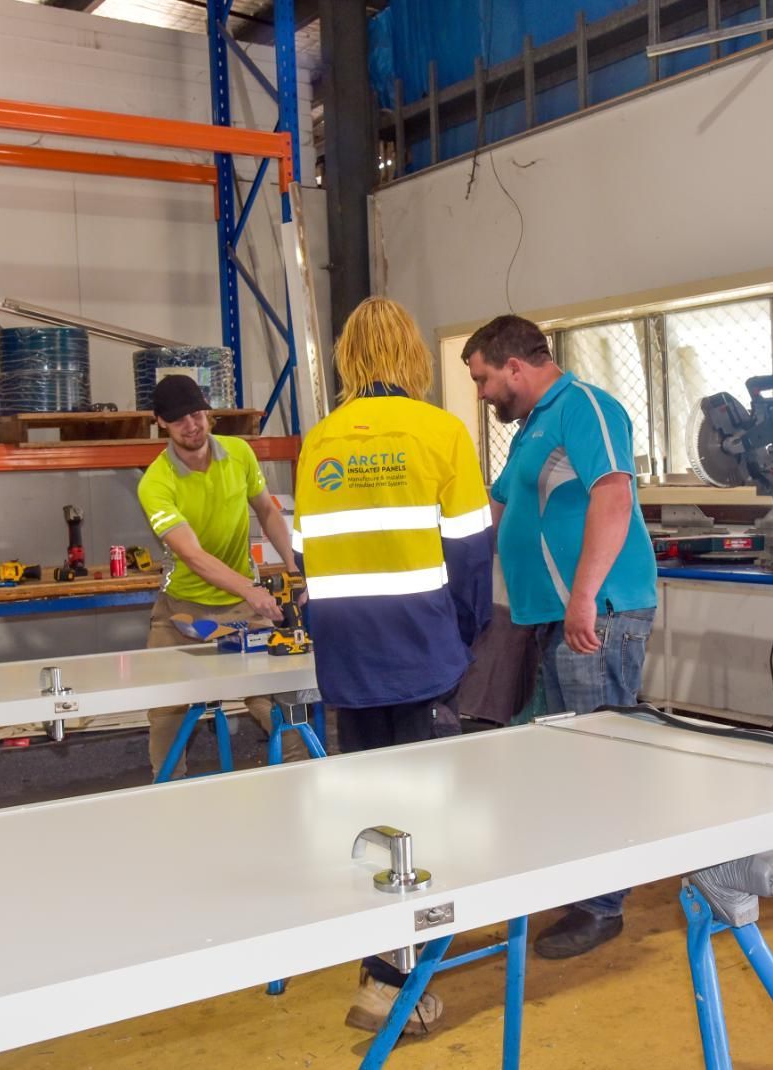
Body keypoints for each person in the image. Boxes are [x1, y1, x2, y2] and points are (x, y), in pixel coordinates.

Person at [294, 296, 493, 1037]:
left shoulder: (320, 441)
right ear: (411, 354)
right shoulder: (441, 432)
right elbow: (472, 556)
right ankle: (389, 983)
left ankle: (380, 953)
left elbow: (312, 555)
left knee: (369, 814)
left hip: (347, 657)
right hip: (419, 653)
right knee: (422, 823)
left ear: (349, 357)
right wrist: (461, 638)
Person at [463, 313, 658, 961]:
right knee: (563, 758)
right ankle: (581, 883)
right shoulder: (528, 433)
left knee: (596, 759)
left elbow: (613, 495)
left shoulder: (586, 408)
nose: (482, 393)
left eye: (484, 379)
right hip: (550, 619)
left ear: (515, 366)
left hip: (596, 614)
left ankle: (603, 907)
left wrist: (581, 597)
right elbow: (496, 513)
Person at [137, 374, 299, 778]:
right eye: (179, 421)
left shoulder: (240, 453)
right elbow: (191, 554)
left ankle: (302, 777)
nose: (192, 426)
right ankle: (168, 794)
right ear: (161, 423)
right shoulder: (156, 482)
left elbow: (266, 510)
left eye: (196, 414)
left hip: (243, 605)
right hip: (182, 612)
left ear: (208, 410)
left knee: (276, 697)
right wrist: (252, 589)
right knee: (166, 711)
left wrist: (296, 567)